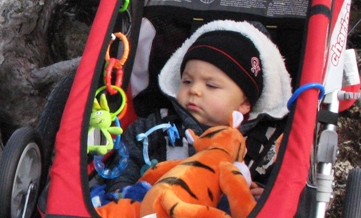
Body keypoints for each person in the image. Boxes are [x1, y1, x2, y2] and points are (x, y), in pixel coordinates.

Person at [93, 19, 293, 207]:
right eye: (187, 81)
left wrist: (266, 195)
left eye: (211, 85)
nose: (194, 90)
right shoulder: (156, 126)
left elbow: (283, 189)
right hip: (152, 214)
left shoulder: (264, 144)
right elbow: (126, 162)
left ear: (245, 104)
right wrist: (124, 192)